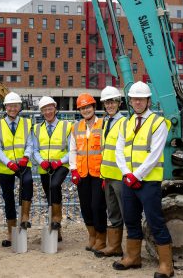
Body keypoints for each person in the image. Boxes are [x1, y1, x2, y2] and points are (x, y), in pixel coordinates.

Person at [112, 81, 174, 278]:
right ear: (130, 101)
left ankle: (166, 265)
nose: (137, 102)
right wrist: (127, 175)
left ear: (148, 100)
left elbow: (154, 154)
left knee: (155, 220)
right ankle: (133, 257)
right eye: (134, 99)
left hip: (148, 182)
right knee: (131, 219)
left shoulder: (158, 123)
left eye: (141, 99)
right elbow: (118, 150)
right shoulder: (127, 123)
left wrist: (136, 176)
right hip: (129, 181)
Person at [0, 92, 34, 247]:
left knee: (28, 182)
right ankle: (11, 233)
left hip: (23, 164)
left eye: (15, 105)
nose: (12, 108)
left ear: (19, 107)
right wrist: (8, 162)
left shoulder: (26, 123)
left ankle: (25, 217)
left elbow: (30, 143)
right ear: (5, 107)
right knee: (8, 198)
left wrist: (26, 156)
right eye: (10, 105)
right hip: (6, 166)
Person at [69, 93, 107, 252]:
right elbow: (72, 149)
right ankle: (91, 235)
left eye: (88, 107)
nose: (86, 110)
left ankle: (101, 237)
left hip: (99, 173)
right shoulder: (76, 127)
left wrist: (106, 173)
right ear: (80, 110)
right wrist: (73, 170)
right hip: (82, 173)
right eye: (82, 108)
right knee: (85, 206)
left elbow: (107, 150)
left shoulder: (104, 125)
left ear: (94, 107)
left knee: (97, 205)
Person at [32, 96, 72, 242]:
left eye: (50, 109)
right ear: (41, 112)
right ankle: (57, 230)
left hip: (61, 165)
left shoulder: (66, 126)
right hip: (45, 167)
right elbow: (35, 150)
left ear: (55, 109)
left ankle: (56, 219)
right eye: (44, 110)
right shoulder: (36, 129)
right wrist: (41, 161)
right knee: (49, 194)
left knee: (55, 185)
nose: (48, 112)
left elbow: (71, 149)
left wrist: (59, 162)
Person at [94, 86, 126, 258]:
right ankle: (115, 247)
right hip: (107, 175)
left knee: (126, 211)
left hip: (120, 176)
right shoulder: (106, 122)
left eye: (112, 101)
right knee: (113, 212)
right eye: (107, 102)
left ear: (119, 103)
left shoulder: (123, 122)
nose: (110, 105)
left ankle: (131, 250)